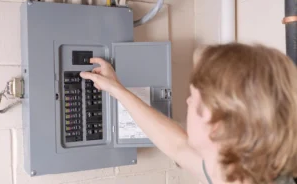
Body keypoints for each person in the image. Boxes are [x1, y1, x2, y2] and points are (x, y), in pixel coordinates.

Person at [80, 43, 297, 184]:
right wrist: (117, 90)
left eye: (194, 97)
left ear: (218, 124)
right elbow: (177, 145)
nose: (188, 101)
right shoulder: (233, 172)